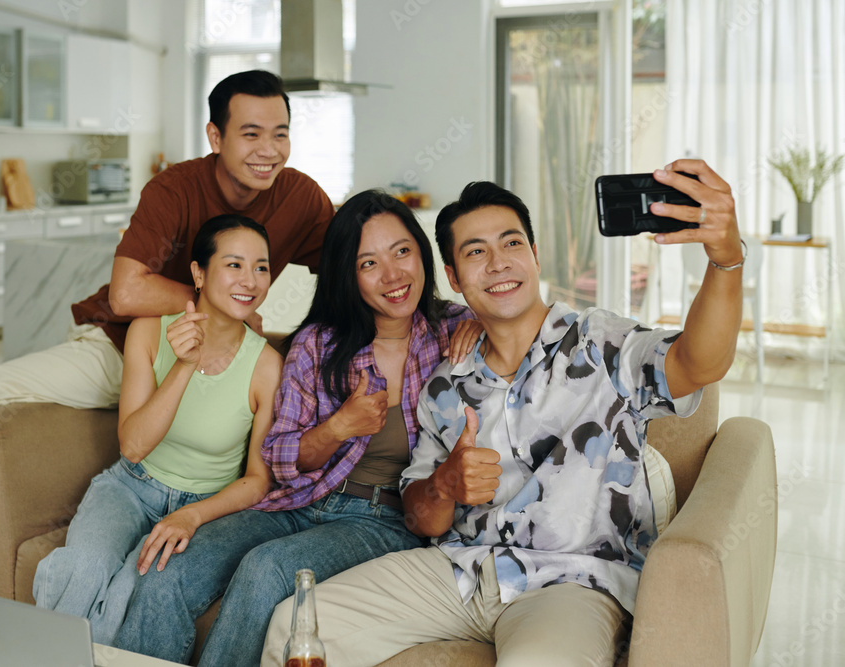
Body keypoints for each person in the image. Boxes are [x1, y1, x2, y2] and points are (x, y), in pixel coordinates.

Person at [262, 160, 746, 667]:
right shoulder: (446, 383)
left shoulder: (602, 345)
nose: (497, 263)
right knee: (297, 623)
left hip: (571, 580)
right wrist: (445, 485)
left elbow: (700, 361)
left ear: (534, 255)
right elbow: (421, 519)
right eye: (475, 252)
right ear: (452, 276)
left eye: (511, 243)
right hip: (459, 573)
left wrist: (725, 258)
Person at [113, 190, 482, 665]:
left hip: (383, 519)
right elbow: (282, 458)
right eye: (368, 263)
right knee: (167, 566)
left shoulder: (453, 331)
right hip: (298, 500)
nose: (393, 275)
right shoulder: (317, 344)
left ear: (422, 255)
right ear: (348, 275)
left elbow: (512, 317)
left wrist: (477, 322)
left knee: (266, 569)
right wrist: (338, 428)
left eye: (402, 252)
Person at [0, 69, 334, 413]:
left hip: (216, 349)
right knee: (0, 385)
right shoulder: (174, 189)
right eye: (251, 134)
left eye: (280, 134)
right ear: (216, 137)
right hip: (123, 342)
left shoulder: (301, 198)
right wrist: (222, 306)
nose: (268, 151)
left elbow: (344, 269)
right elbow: (126, 293)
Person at [32, 214, 283, 645]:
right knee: (85, 568)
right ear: (198, 273)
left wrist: (190, 516)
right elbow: (132, 446)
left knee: (133, 591)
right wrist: (184, 366)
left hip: (203, 506)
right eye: (234, 264)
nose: (251, 280)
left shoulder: (267, 366)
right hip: (129, 487)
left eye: (261, 267)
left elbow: (258, 481)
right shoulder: (148, 332)